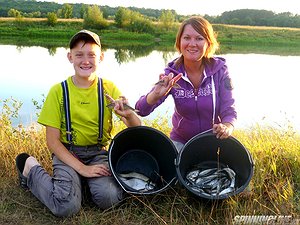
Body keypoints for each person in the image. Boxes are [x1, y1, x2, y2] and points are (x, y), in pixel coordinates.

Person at [15, 30, 141, 217]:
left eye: (92, 55)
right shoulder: (58, 91)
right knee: (66, 207)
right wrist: (82, 168)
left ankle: (80, 182)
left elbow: (137, 129)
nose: (86, 61)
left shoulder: (109, 88)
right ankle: (30, 168)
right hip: (68, 152)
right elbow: (53, 142)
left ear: (101, 57)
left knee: (110, 199)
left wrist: (128, 115)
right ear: (70, 57)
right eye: (79, 55)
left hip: (98, 153)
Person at [135, 16, 237, 151]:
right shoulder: (171, 74)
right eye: (187, 38)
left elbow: (229, 109)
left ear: (208, 43)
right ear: (179, 42)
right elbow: (140, 110)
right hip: (181, 142)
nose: (192, 44)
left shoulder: (220, 71)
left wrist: (227, 126)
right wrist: (154, 95)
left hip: (213, 140)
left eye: (199, 38)